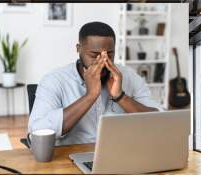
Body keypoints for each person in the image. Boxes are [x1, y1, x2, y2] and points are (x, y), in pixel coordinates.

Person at [28, 21, 162, 146]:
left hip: (121, 154)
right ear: (78, 49)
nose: (103, 61)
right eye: (94, 55)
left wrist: (121, 97)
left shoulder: (130, 77)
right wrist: (90, 95)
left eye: (109, 54)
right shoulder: (54, 80)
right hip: (70, 160)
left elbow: (160, 122)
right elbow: (37, 132)